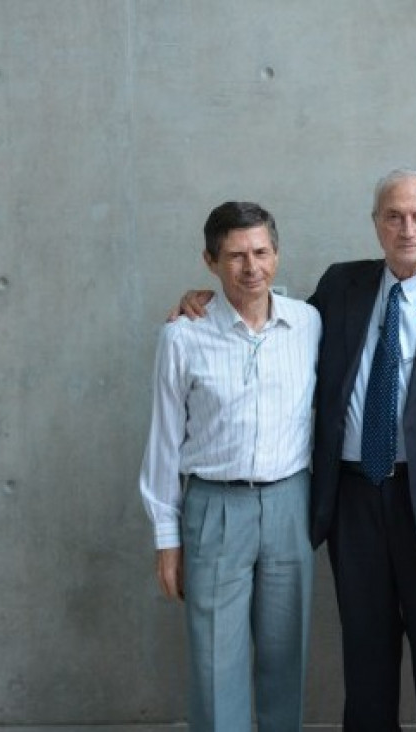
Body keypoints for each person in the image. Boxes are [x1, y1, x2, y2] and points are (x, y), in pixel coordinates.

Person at [176, 170, 416, 730]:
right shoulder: (341, 288)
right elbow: (268, 323)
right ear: (376, 224)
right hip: (354, 500)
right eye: (394, 216)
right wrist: (209, 301)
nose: (407, 228)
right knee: (366, 658)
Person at [139, 201, 319, 730]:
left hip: (291, 503)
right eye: (236, 255)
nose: (251, 268)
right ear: (210, 261)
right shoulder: (182, 335)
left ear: (277, 255)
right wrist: (166, 540)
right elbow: (164, 441)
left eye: (261, 252)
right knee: (217, 658)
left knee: (287, 655)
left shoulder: (308, 323)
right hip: (214, 507)